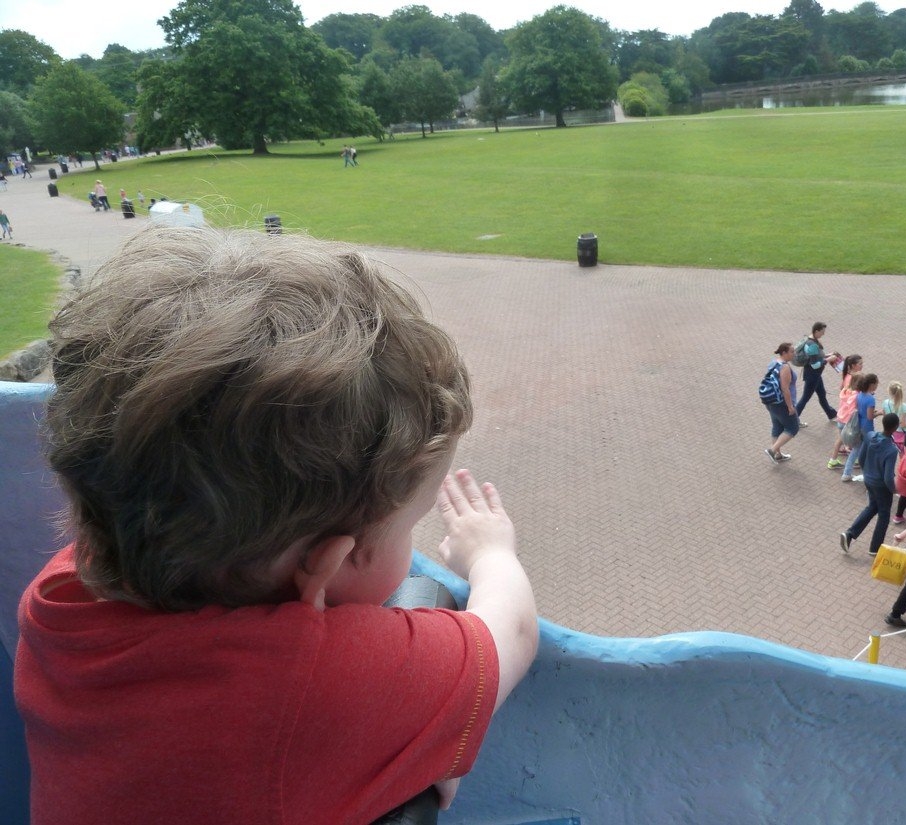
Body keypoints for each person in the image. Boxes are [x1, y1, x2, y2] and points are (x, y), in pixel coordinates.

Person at [15, 227, 539, 824]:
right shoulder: (314, 685)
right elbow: (514, 633)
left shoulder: (57, 599)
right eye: (408, 526)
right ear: (323, 564)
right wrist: (491, 554)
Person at [840, 413, 899, 557]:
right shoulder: (891, 450)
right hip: (882, 486)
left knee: (872, 507)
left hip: (869, 480)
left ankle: (850, 534)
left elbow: (861, 458)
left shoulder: (870, 436)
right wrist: (894, 489)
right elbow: (887, 476)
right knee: (884, 515)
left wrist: (867, 473)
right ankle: (875, 547)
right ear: (895, 428)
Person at [794, 321, 840, 426]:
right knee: (805, 398)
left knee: (822, 395)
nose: (823, 334)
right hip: (812, 376)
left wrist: (829, 355)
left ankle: (831, 414)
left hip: (815, 375)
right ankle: (793, 420)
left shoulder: (811, 341)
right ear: (816, 331)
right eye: (822, 331)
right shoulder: (812, 345)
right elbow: (815, 364)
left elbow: (816, 356)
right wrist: (829, 360)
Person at [763, 342, 799, 463]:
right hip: (782, 403)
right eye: (792, 352)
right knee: (793, 427)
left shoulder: (774, 362)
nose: (794, 354)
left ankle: (777, 455)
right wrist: (790, 406)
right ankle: (772, 451)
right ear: (784, 352)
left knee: (777, 426)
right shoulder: (785, 367)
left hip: (771, 400)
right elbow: (785, 388)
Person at [841, 372, 881, 482]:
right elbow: (870, 416)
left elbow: (863, 411)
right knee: (868, 452)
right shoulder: (871, 399)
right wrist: (880, 413)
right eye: (876, 384)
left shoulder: (859, 395)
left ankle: (846, 473)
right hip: (867, 428)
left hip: (859, 424)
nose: (877, 386)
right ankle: (869, 476)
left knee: (856, 450)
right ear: (872, 385)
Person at [828, 354, 864, 469]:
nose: (862, 366)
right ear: (853, 365)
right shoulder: (853, 381)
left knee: (841, 439)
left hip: (841, 415)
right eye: (860, 364)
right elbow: (854, 402)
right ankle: (855, 460)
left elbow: (841, 388)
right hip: (848, 418)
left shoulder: (846, 376)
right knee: (856, 439)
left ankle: (834, 459)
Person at [882, 381, 906, 453]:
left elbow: (885, 418)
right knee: (902, 454)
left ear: (889, 391)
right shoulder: (904, 406)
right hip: (900, 434)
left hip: (890, 432)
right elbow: (903, 425)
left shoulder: (885, 403)